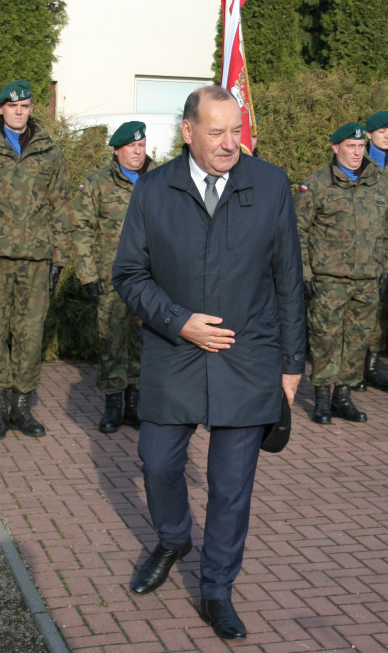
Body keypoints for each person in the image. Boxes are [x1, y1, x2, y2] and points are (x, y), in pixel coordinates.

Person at [112, 86, 304, 640]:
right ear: (188, 131)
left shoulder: (269, 183)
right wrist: (178, 321)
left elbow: (288, 278)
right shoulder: (153, 189)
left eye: (235, 130)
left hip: (249, 357)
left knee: (230, 484)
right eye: (216, 132)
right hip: (174, 353)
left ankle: (216, 587)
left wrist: (292, 363)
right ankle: (173, 538)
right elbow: (129, 275)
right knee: (157, 461)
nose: (228, 143)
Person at [0, 79, 72, 440]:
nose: (19, 111)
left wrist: (59, 257)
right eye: (12, 106)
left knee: (30, 333)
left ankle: (22, 408)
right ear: (1, 109)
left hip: (36, 257)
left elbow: (61, 205)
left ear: (32, 108)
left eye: (25, 106)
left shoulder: (50, 152)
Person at [296, 123, 388, 423]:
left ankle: (343, 397)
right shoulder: (316, 184)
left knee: (357, 340)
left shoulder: (379, 183)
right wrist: (305, 273)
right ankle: (321, 401)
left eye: (360, 147)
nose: (356, 153)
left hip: (367, 279)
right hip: (328, 279)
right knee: (325, 339)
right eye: (350, 147)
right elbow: (297, 230)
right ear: (335, 148)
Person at [72, 121, 153, 433]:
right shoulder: (97, 183)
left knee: (145, 342)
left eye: (142, 145)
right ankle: (112, 406)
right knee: (113, 341)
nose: (137, 152)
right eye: (131, 147)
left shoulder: (159, 179)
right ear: (117, 149)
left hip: (151, 282)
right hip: (113, 280)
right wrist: (88, 276)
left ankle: (135, 405)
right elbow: (80, 230)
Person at [350, 110, 388, 393]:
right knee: (358, 312)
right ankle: (354, 368)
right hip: (361, 252)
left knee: (383, 312)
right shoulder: (357, 163)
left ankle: (372, 367)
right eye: (382, 132)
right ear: (368, 135)